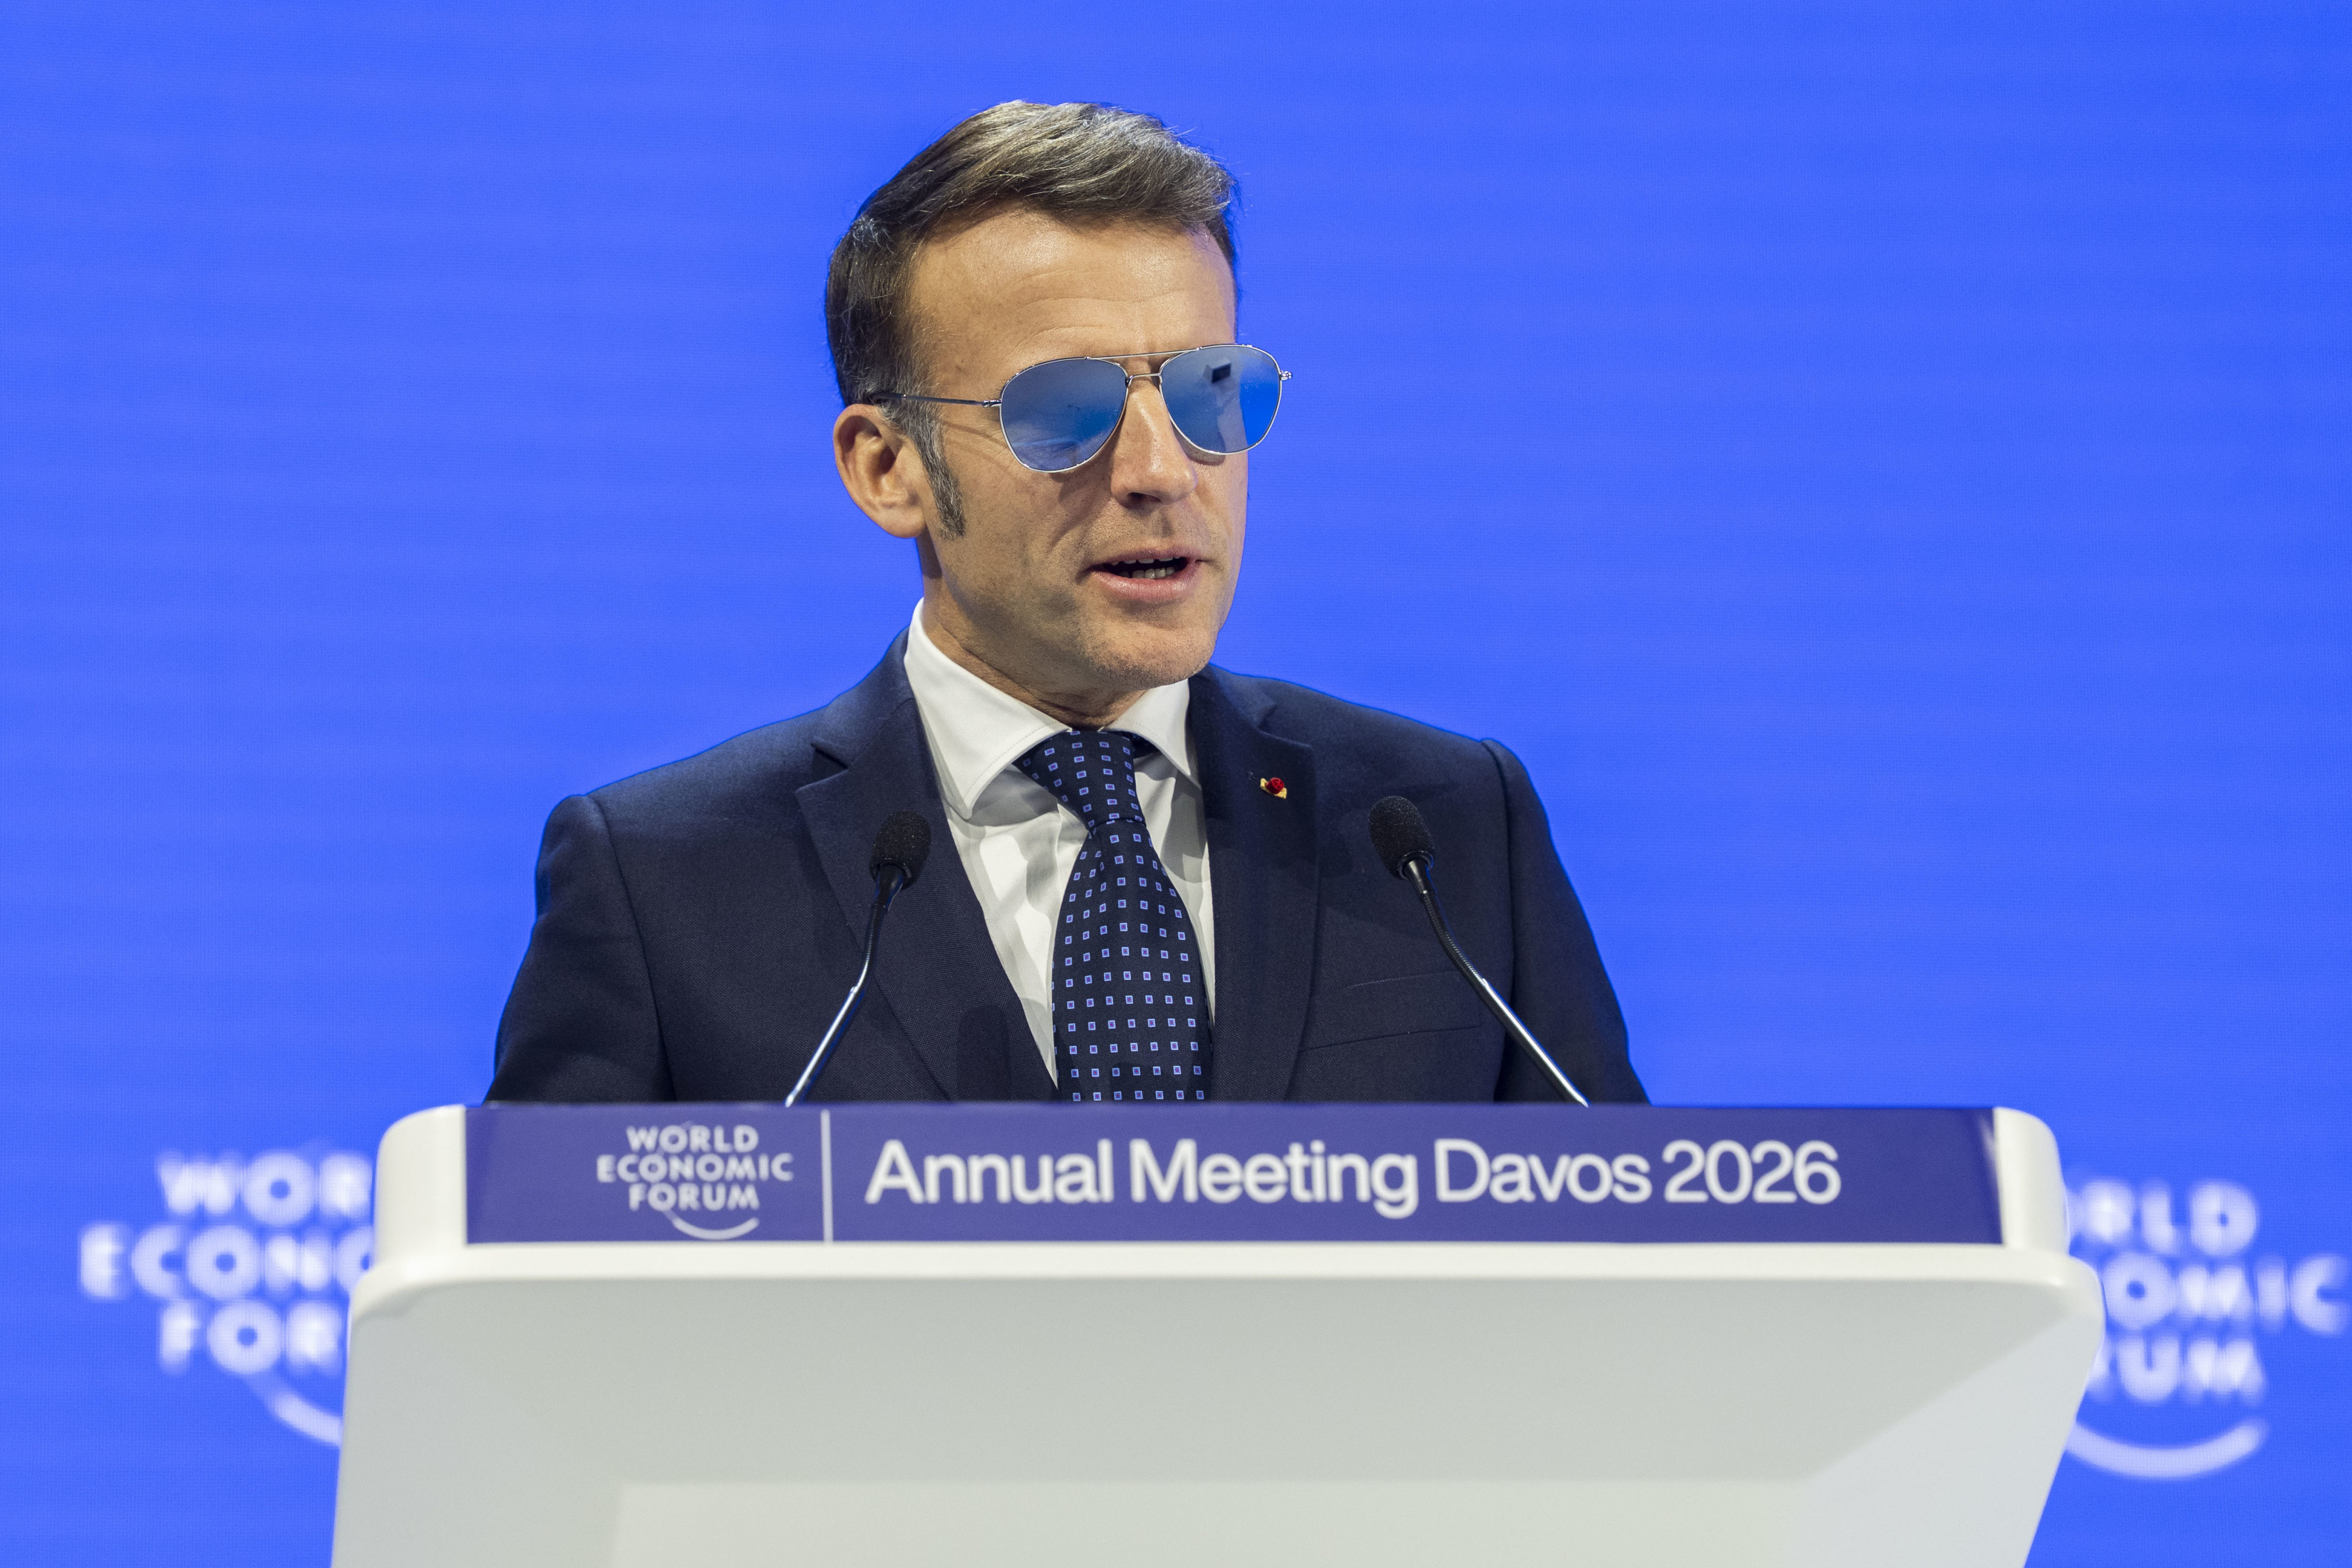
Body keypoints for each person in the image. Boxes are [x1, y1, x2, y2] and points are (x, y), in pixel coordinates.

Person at [488, 101, 1643, 1106]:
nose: (1161, 469)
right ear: (887, 469)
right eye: (1062, 410)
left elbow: (1624, 1257)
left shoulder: (1440, 833)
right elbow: (545, 1293)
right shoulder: (665, 881)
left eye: (1209, 389)